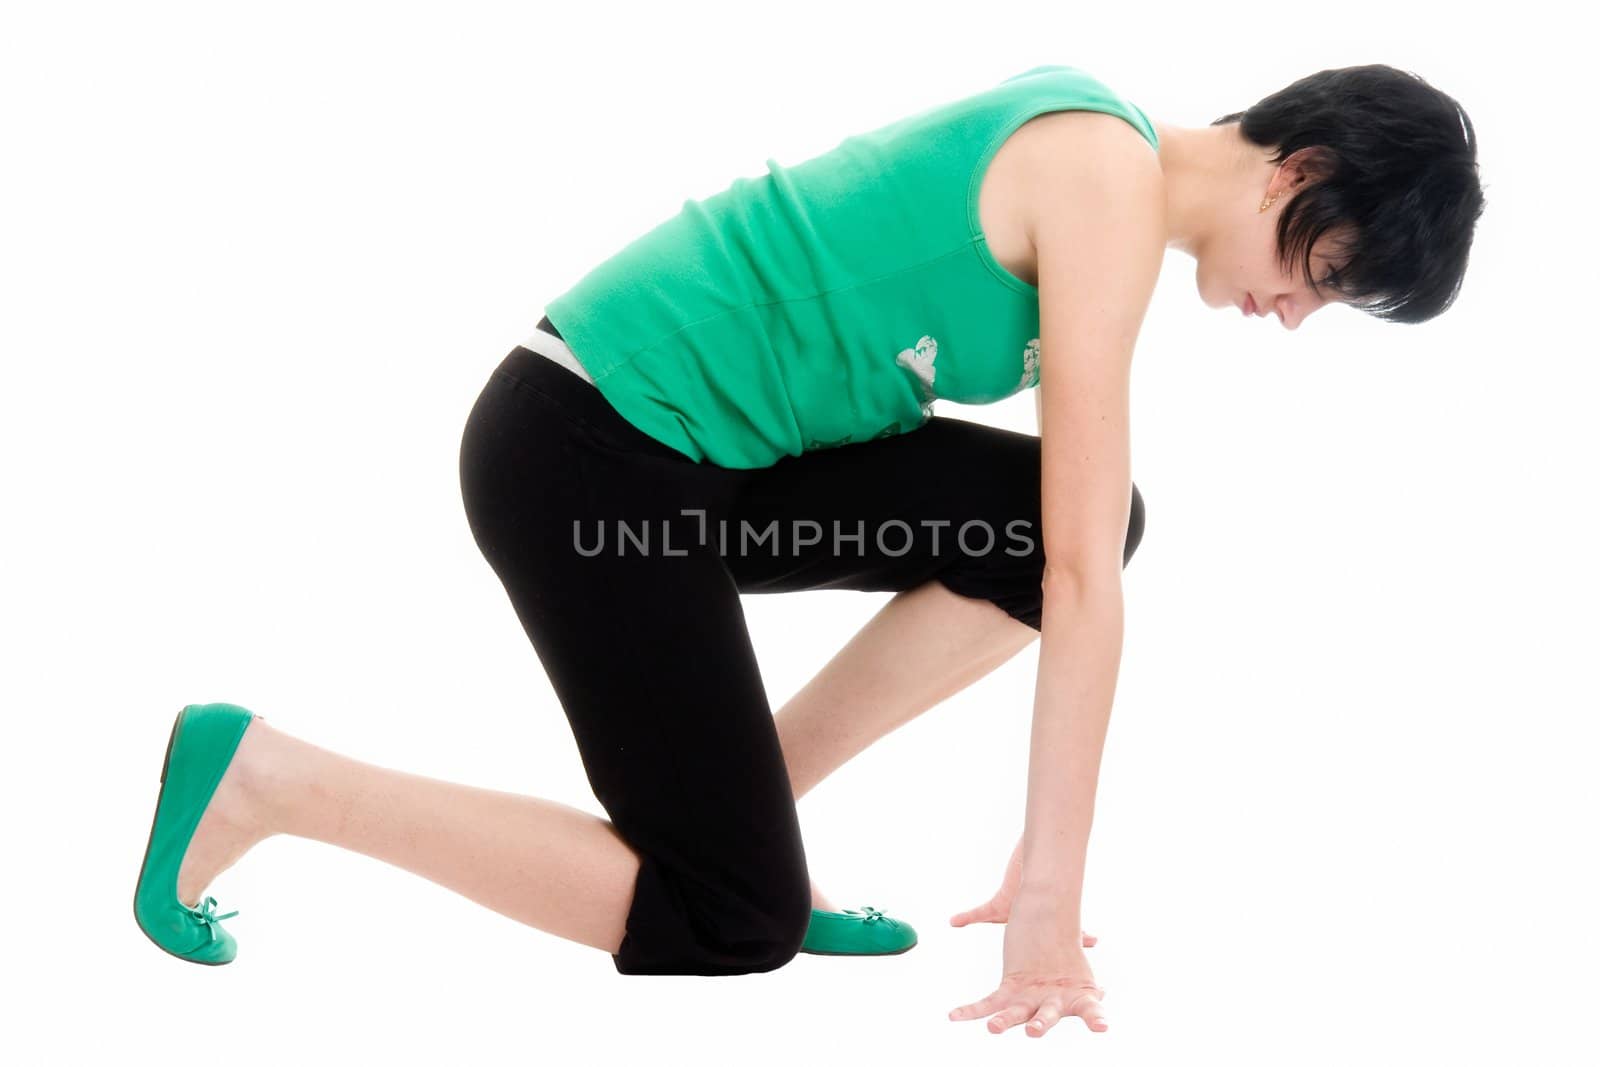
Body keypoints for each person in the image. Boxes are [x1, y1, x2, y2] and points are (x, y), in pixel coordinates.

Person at [133, 62, 1484, 1037]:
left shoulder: (1109, 172)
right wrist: (1047, 899)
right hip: (586, 455)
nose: (1297, 316)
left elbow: (1069, 542)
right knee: (730, 922)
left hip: (708, 470)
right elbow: (1079, 585)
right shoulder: (1099, 176)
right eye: (1324, 277)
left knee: (1072, 524)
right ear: (1302, 173)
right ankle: (268, 780)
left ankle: (738, 815)